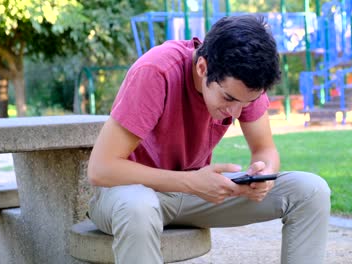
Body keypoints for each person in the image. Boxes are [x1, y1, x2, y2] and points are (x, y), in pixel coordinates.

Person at [87, 15, 331, 264]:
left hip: (196, 193)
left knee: (310, 190)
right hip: (129, 194)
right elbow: (101, 168)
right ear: (202, 68)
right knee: (138, 208)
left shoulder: (243, 81)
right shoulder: (156, 71)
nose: (236, 113)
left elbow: (265, 150)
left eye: (246, 103)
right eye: (228, 99)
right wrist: (190, 182)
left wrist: (263, 174)